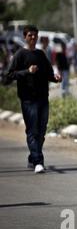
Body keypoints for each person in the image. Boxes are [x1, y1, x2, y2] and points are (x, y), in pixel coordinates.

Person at [5, 25, 62, 173]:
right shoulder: (19, 55)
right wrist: (26, 72)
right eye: (30, 35)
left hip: (43, 98)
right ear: (25, 37)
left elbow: (49, 73)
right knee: (32, 130)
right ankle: (38, 161)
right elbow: (8, 76)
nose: (33, 38)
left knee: (41, 131)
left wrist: (55, 78)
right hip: (28, 99)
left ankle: (33, 156)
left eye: (35, 35)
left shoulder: (41, 55)